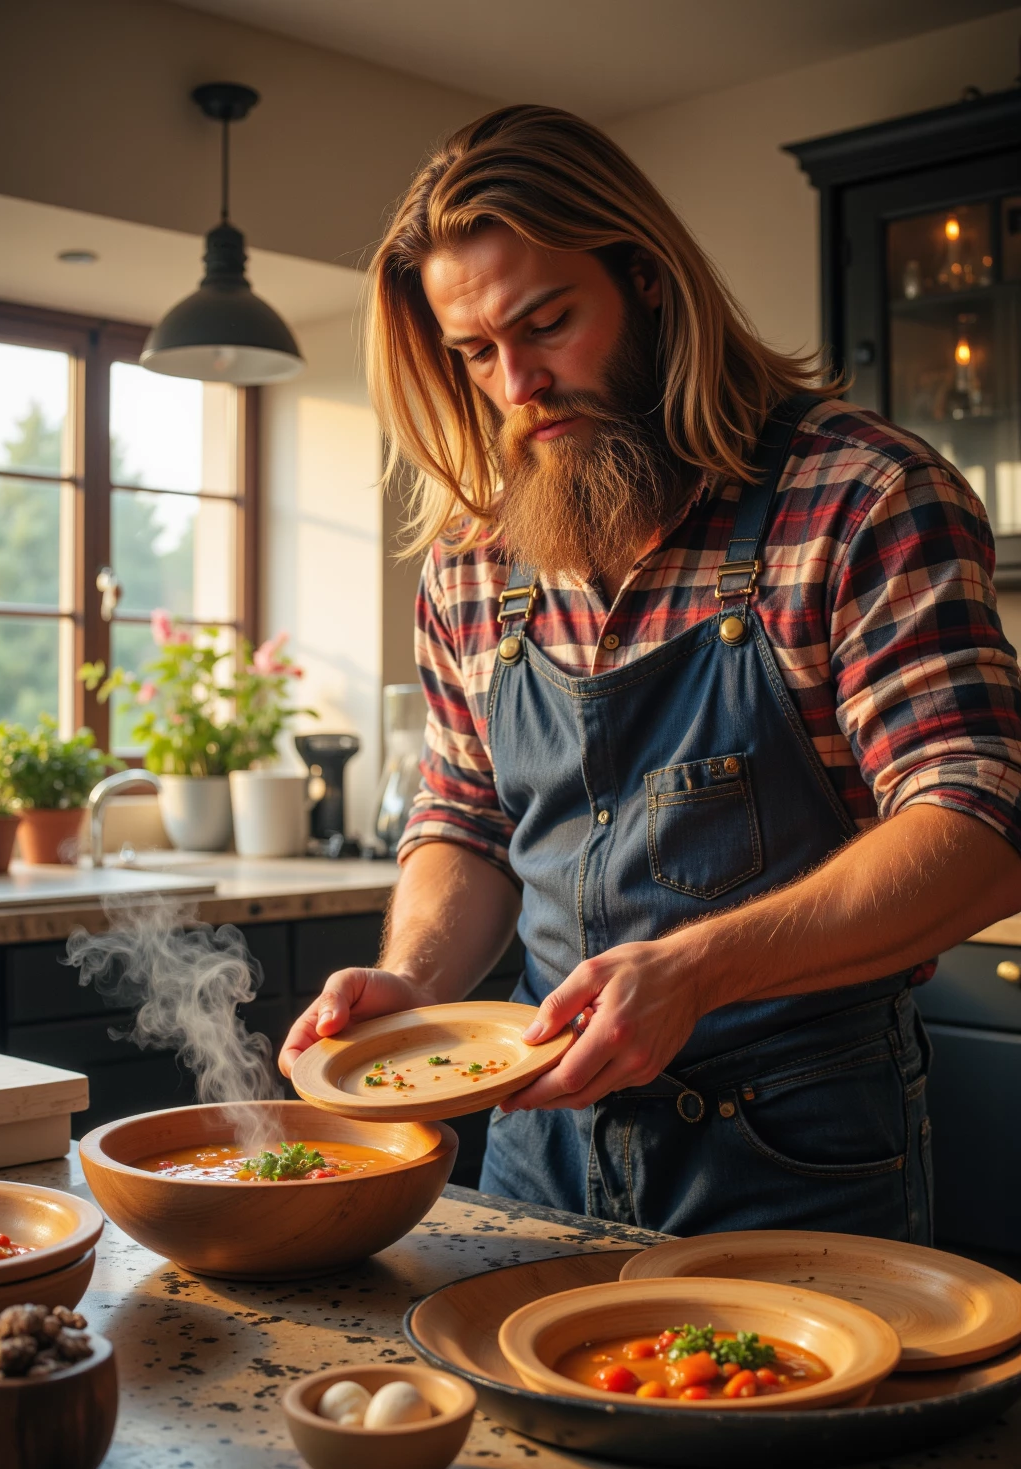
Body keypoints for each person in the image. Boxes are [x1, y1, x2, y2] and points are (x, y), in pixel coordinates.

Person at [280, 105, 1021, 1241]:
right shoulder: (473, 561)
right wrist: (416, 989)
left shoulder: (859, 496)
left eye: (548, 323)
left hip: (794, 1160)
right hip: (534, 1154)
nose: (517, 383)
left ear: (649, 281)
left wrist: (696, 970)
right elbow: (467, 820)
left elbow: (979, 822)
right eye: (476, 353)